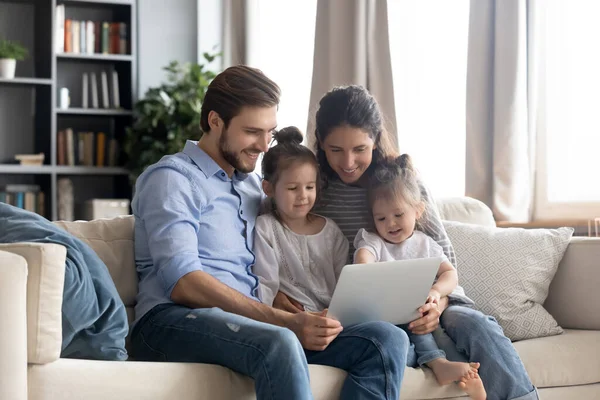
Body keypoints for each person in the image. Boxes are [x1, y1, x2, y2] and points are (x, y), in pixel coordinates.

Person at [129, 66, 409, 400]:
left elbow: (273, 248)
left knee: (385, 339)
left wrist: (296, 310)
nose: (264, 145)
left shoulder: (253, 188)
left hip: (249, 325)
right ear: (215, 121)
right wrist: (283, 321)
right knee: (280, 341)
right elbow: (183, 282)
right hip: (170, 322)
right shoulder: (173, 178)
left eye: (269, 131)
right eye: (252, 131)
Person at [274, 85, 539, 400]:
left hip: (433, 300)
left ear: (375, 140)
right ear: (320, 144)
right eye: (335, 150)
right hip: (366, 311)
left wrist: (436, 305)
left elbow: (443, 258)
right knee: (393, 337)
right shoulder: (310, 188)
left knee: (476, 326)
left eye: (360, 149)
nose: (347, 162)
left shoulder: (402, 183)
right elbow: (276, 232)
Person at [354, 154, 486, 399]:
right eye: (380, 218)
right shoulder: (372, 241)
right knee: (408, 341)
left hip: (420, 315)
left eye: (398, 215)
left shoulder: (425, 244)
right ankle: (439, 365)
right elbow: (364, 260)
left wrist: (436, 292)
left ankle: (467, 378)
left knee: (440, 336)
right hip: (386, 321)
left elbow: (450, 273)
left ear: (418, 211)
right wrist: (365, 266)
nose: (390, 224)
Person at [253, 126, 349, 311]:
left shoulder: (331, 232)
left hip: (335, 320)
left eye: (310, 187)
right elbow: (265, 285)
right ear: (268, 188)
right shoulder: (266, 228)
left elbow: (346, 286)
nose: (303, 196)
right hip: (292, 321)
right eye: (292, 188)